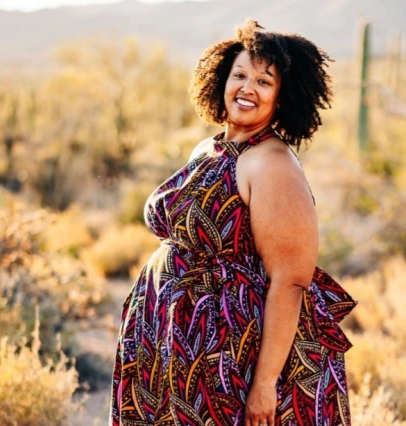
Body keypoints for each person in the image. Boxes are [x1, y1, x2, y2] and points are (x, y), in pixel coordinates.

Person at [110, 19, 357, 426]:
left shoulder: (272, 164)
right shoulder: (210, 148)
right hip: (172, 343)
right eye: (239, 74)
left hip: (228, 356)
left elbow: (291, 280)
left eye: (264, 81)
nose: (247, 88)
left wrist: (264, 385)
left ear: (283, 96)